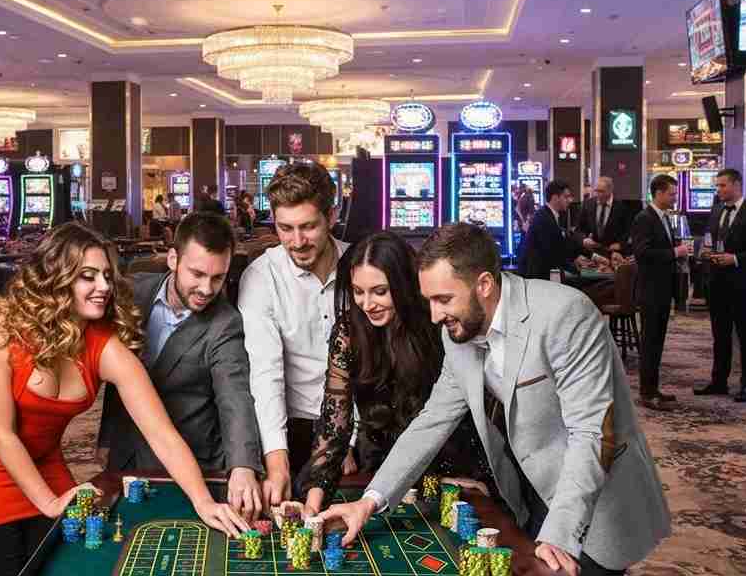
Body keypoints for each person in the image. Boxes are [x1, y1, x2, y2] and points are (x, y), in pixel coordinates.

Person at [319, 223, 670, 576]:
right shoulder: (460, 333)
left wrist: (559, 534)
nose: (434, 315)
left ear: (484, 284)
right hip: (534, 488)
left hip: (598, 500)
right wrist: (369, 501)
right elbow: (432, 420)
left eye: (443, 299)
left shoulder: (564, 314)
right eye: (429, 300)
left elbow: (590, 433)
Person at [0, 222, 247, 576]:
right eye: (88, 276)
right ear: (57, 279)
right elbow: (2, 434)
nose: (104, 286)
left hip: (43, 457)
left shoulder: (105, 348)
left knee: (62, 563)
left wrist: (203, 501)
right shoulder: (3, 326)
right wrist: (50, 502)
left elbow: (162, 433)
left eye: (107, 275)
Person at [298, 231, 495, 515]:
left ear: (403, 286)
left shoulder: (438, 324)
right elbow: (334, 425)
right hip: (382, 471)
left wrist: (443, 480)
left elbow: (453, 414)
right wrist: (314, 499)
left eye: (380, 291)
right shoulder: (348, 332)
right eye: (358, 291)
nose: (367, 304)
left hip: (451, 465)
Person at [95, 212, 264, 519]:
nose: (207, 289)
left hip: (192, 465)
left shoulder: (225, 323)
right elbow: (112, 369)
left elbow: (234, 397)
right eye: (197, 274)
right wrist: (107, 437)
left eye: (218, 277)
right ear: (173, 258)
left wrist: (242, 465)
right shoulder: (131, 293)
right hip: (126, 454)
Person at [238, 162, 355, 507]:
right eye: (285, 228)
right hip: (290, 426)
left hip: (358, 423)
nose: (297, 241)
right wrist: (277, 463)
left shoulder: (360, 266)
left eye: (308, 227)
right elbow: (265, 372)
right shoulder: (261, 277)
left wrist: (347, 441)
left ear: (331, 217)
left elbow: (374, 362)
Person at [697, 168, 746, 403]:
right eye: (717, 186)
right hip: (717, 282)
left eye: (722, 185)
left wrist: (735, 258)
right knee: (720, 335)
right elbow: (710, 237)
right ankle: (719, 381)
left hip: (742, 284)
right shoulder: (717, 209)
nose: (718, 190)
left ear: (737, 185)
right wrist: (707, 252)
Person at [630, 174, 689, 411]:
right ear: (659, 193)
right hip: (651, 291)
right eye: (672, 193)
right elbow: (642, 253)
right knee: (650, 343)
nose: (675, 197)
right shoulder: (645, 218)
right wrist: (675, 253)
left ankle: (653, 389)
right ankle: (647, 393)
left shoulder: (663, 217)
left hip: (662, 290)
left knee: (657, 343)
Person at [517, 181, 586, 280]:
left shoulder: (551, 215)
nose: (570, 200)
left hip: (541, 274)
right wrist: (575, 268)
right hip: (536, 277)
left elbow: (563, 244)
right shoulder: (544, 218)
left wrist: (578, 258)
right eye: (566, 197)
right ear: (555, 198)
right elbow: (551, 253)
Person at [577, 177, 629, 257]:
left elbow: (628, 232)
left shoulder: (622, 208)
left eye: (601, 191)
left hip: (613, 254)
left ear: (610, 190)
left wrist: (621, 244)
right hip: (591, 253)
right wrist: (584, 239)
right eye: (596, 191)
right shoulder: (587, 204)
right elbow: (579, 229)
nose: (598, 194)